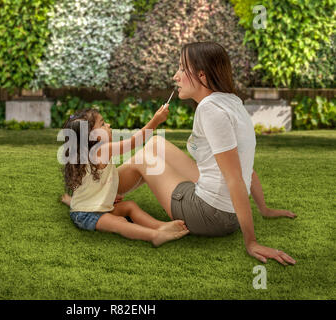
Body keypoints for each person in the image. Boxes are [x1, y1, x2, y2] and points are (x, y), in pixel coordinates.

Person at [115, 42, 297, 265]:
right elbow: (243, 164)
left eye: (182, 69)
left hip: (210, 215)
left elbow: (234, 177)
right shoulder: (231, 101)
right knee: (155, 145)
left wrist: (251, 242)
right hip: (223, 211)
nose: (175, 76)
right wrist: (264, 209)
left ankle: (93, 193)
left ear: (201, 75)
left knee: (145, 159)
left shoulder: (210, 110)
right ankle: (103, 190)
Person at [61, 107, 189, 247]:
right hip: (87, 215)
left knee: (130, 206)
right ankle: (154, 236)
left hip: (96, 208)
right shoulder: (101, 150)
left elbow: (90, 186)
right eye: (103, 124)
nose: (108, 125)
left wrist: (107, 196)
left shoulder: (90, 154)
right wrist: (155, 121)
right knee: (120, 223)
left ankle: (160, 226)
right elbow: (133, 142)